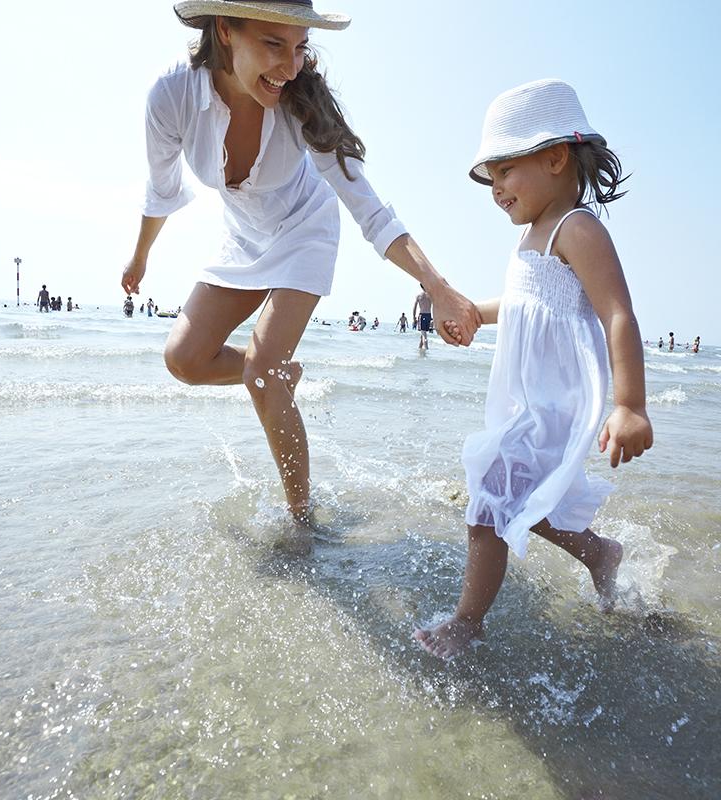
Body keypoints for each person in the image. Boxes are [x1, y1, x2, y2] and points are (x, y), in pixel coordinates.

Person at [122, 1, 479, 525]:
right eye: (273, 45)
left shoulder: (302, 102)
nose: (290, 68)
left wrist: (439, 287)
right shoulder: (171, 95)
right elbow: (161, 188)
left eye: (300, 48)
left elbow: (371, 211)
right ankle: (276, 374)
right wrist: (140, 257)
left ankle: (301, 519)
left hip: (306, 228)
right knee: (184, 359)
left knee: (260, 371)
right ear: (225, 29)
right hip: (243, 236)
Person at [414, 79, 653, 658]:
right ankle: (600, 553)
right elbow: (523, 306)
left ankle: (468, 622)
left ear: (554, 157)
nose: (495, 189)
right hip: (528, 401)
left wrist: (630, 405)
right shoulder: (529, 238)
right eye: (490, 178)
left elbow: (617, 313)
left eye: (504, 171)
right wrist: (473, 314)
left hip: (556, 403)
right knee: (519, 499)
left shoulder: (579, 229)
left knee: (491, 497)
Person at [413, 284, 433, 350]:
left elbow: (415, 307)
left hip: (422, 315)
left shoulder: (419, 296)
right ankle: (420, 349)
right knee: (423, 334)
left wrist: (414, 317)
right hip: (429, 316)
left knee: (424, 335)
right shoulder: (431, 296)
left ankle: (426, 348)